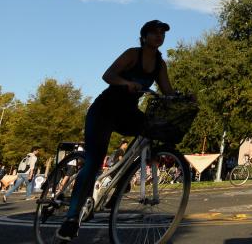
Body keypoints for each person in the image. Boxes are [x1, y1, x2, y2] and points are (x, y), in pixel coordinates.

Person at [56, 19, 175, 241]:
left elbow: (167, 90)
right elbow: (108, 75)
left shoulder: (160, 63)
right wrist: (124, 83)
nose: (160, 36)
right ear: (144, 36)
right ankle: (71, 219)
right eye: (155, 32)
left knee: (149, 132)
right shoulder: (133, 54)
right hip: (104, 110)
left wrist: (180, 97)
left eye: (163, 34)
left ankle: (121, 182)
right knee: (93, 161)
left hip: (127, 112)